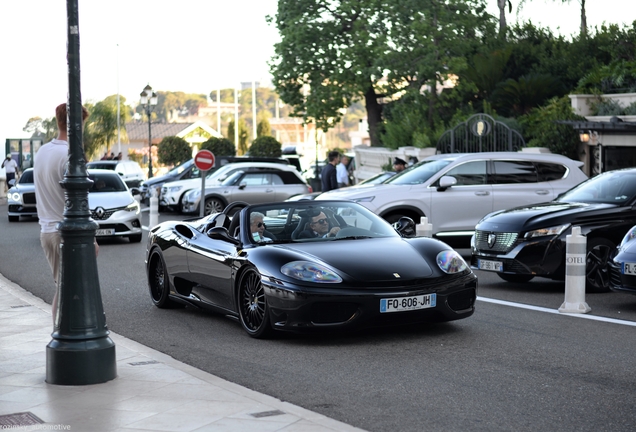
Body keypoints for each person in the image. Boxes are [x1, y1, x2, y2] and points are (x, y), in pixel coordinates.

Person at [33, 103, 93, 322]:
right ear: (77, 124)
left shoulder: (43, 152)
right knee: (67, 289)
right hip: (65, 234)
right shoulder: (70, 155)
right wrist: (90, 237)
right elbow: (77, 200)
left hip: (46, 231)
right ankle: (60, 337)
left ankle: (61, 334)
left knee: (63, 286)